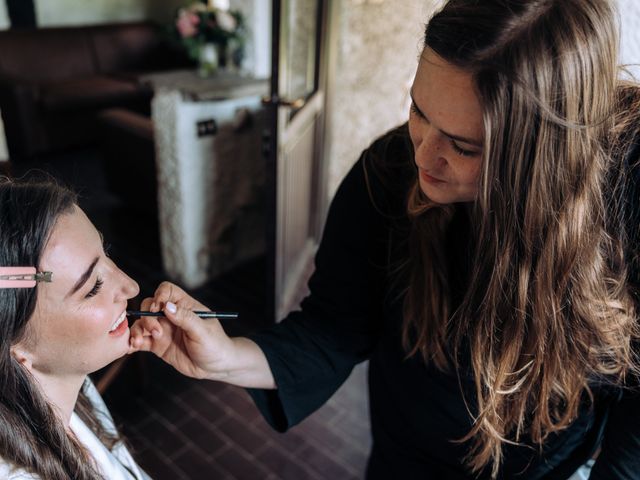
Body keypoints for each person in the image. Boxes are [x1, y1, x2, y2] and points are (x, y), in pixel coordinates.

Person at [129, 0, 640, 478]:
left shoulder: (628, 190)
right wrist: (225, 357)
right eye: (418, 111)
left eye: (462, 146)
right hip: (406, 458)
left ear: (545, 154)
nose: (423, 156)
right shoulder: (388, 170)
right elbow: (333, 328)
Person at [0, 177, 150, 480]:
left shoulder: (70, 385)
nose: (131, 286)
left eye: (106, 253)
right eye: (93, 287)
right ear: (17, 352)